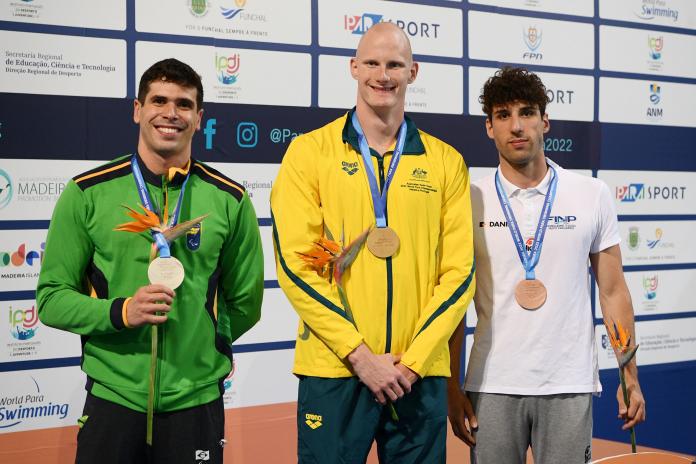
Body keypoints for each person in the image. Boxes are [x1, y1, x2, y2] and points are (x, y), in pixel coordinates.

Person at [37, 58, 264, 464]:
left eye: (184, 104)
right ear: (137, 109)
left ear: (199, 118)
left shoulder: (230, 200)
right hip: (113, 399)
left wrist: (207, 344)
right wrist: (120, 312)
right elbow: (51, 299)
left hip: (195, 404)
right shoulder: (87, 193)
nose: (171, 113)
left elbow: (246, 301)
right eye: (159, 100)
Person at [271, 22, 475, 463]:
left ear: (413, 72)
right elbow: (295, 266)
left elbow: (459, 274)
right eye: (373, 63)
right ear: (354, 67)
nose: (383, 75)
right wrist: (361, 357)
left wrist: (414, 361)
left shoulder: (446, 162)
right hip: (335, 368)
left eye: (395, 65)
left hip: (416, 373)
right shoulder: (309, 153)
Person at [447, 67, 646, 464]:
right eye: (503, 115)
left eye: (527, 112)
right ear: (489, 127)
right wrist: (452, 388)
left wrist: (630, 375)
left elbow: (613, 291)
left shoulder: (591, 194)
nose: (517, 126)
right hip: (492, 383)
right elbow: (453, 304)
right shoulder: (468, 199)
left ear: (545, 121)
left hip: (568, 382)